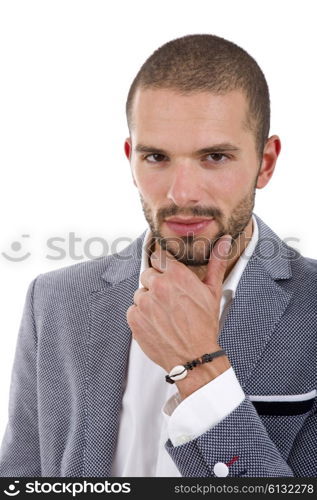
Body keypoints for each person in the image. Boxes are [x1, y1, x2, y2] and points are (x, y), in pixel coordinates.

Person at [0, 34, 316, 478]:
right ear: (131, 159)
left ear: (265, 163)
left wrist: (199, 369)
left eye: (215, 156)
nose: (181, 193)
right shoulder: (53, 301)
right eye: (157, 157)